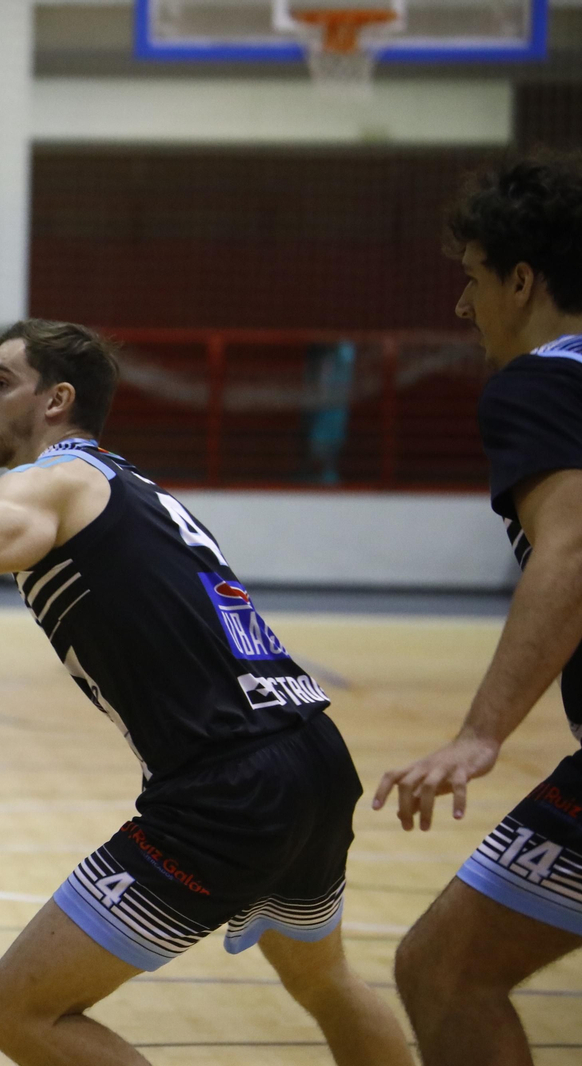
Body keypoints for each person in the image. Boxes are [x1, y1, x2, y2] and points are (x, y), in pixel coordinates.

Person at [0, 319, 412, 1065]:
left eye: (1, 382)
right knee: (325, 980)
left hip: (228, 789)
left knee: (18, 1009)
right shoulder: (127, 482)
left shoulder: (54, 477)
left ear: (57, 400)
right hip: (312, 757)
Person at [374, 154, 582, 1066]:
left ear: (522, 281)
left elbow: (574, 549)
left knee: (444, 970)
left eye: (473, 278)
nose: (463, 307)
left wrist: (480, 733)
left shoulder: (542, 383)